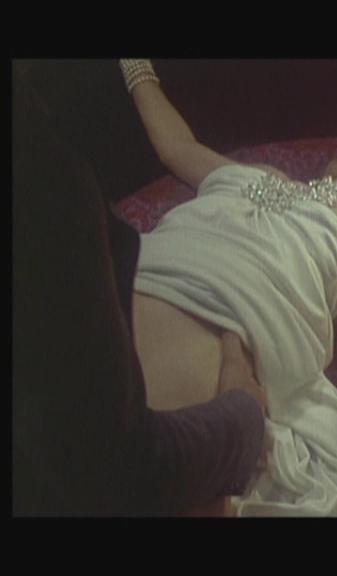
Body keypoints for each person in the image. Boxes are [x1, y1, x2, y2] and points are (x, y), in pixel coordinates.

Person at [122, 59, 337, 516]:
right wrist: (135, 66)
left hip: (201, 351)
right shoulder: (259, 175)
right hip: (131, 294)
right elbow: (177, 147)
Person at [13, 62, 266, 516]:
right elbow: (117, 467)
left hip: (232, 323)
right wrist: (243, 418)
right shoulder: (42, 177)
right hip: (166, 302)